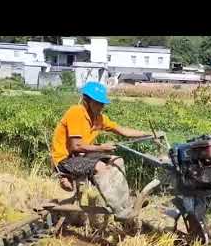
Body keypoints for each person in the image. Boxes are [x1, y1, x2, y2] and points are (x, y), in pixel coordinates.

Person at [50, 81, 151, 221]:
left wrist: (149, 134)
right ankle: (118, 210)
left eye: (102, 103)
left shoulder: (99, 118)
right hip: (64, 160)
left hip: (82, 156)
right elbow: (75, 146)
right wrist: (101, 148)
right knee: (101, 167)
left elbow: (122, 131)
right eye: (98, 102)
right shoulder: (76, 112)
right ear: (87, 101)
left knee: (118, 160)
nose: (102, 106)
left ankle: (125, 204)